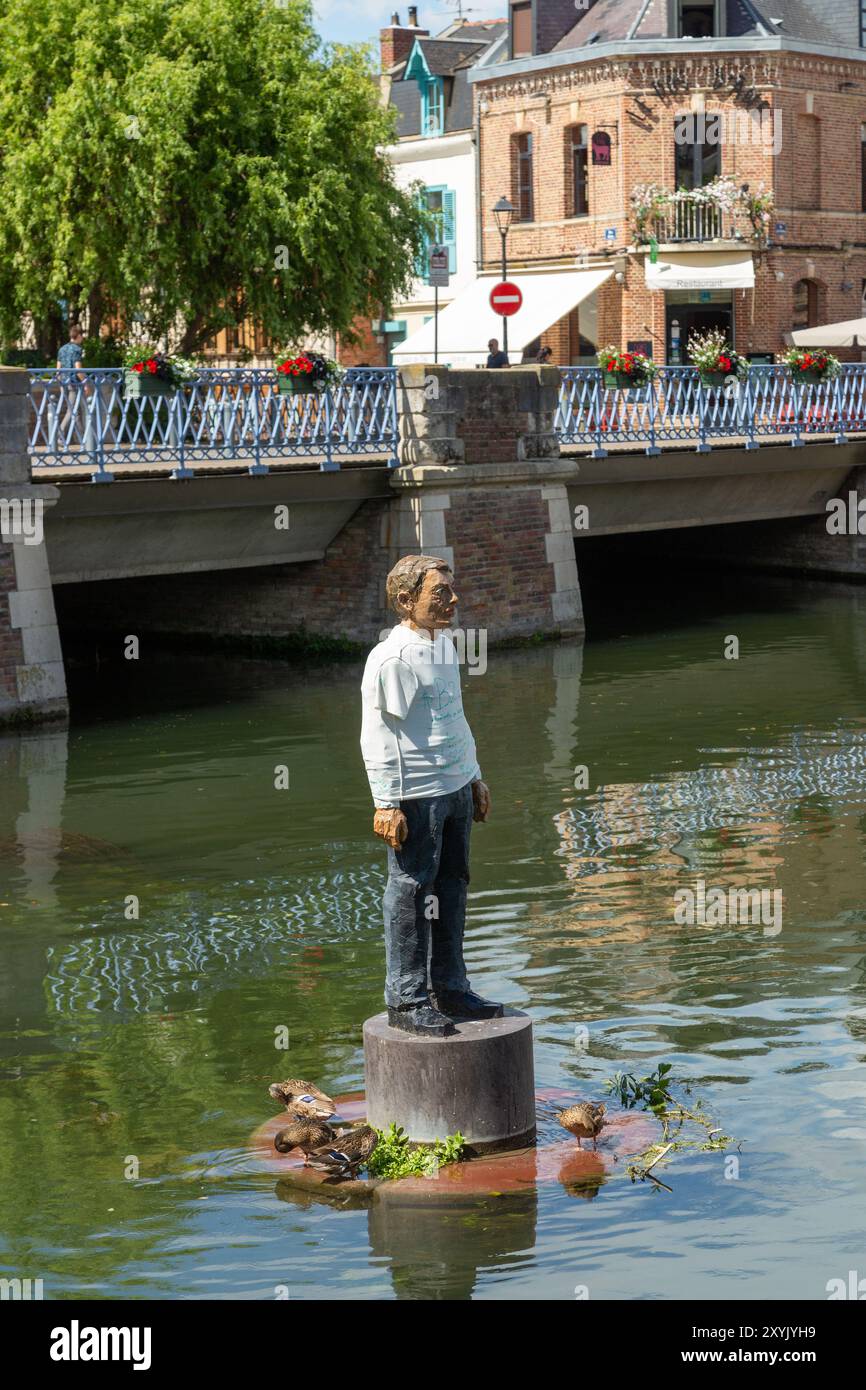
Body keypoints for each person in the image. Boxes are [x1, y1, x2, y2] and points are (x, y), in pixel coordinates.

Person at [360, 554, 502, 1037]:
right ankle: (407, 998)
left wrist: (475, 776)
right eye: (440, 593)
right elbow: (378, 732)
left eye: (450, 590)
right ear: (405, 601)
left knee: (453, 885)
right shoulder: (393, 657)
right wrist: (385, 801)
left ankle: (450, 987)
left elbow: (453, 716)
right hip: (416, 793)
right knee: (411, 891)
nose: (453, 600)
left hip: (455, 786)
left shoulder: (443, 647)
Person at [56, 324, 88, 438]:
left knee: (76, 411)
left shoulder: (62, 349)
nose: (82, 338)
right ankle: (59, 434)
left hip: (64, 382)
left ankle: (83, 438)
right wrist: (85, 383)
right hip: (74, 383)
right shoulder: (77, 349)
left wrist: (60, 384)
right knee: (72, 411)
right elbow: (78, 369)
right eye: (82, 336)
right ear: (78, 335)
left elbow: (58, 369)